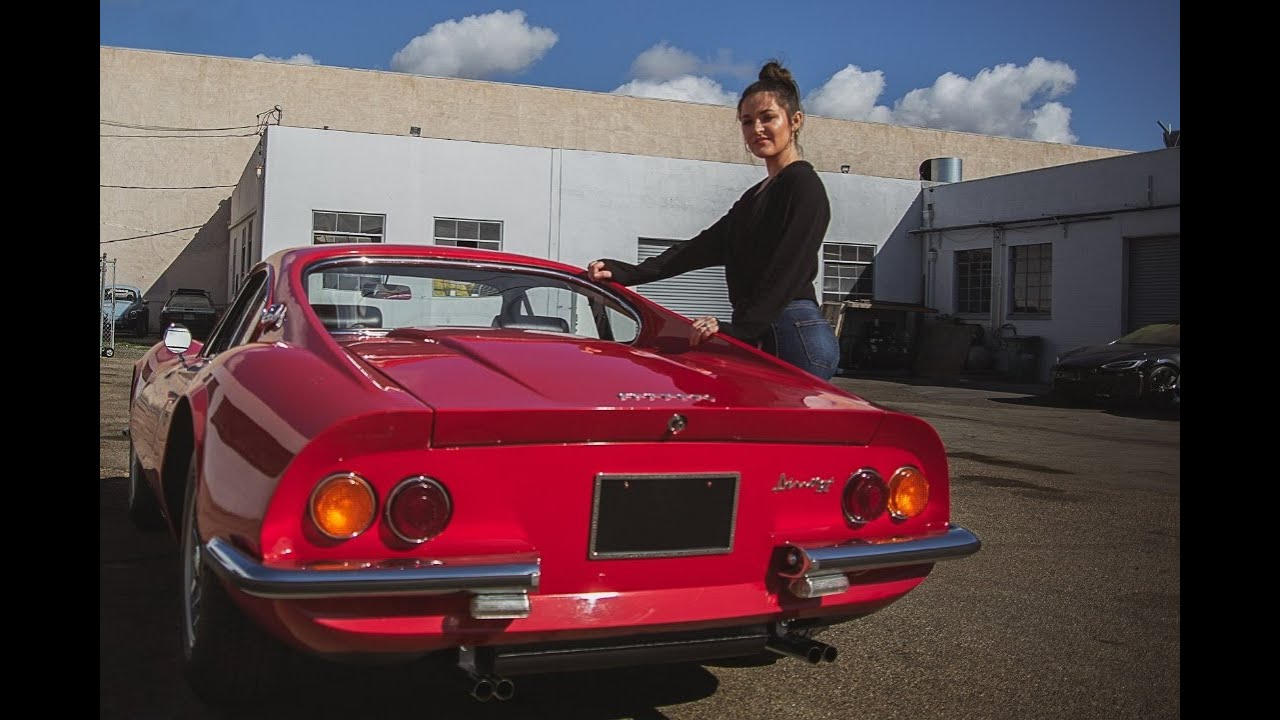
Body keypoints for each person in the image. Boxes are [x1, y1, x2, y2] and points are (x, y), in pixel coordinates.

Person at [586, 60, 840, 381]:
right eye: (747, 122)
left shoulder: (802, 185)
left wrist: (743, 330)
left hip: (794, 332)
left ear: (796, 121)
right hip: (767, 326)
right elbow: (697, 249)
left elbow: (787, 268)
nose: (757, 129)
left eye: (768, 118)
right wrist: (626, 272)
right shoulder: (755, 196)